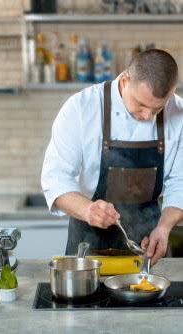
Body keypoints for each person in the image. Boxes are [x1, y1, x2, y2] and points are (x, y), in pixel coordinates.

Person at [41, 49, 183, 265]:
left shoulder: (179, 112)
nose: (147, 116)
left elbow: (180, 183)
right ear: (126, 79)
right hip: (87, 244)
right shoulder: (82, 107)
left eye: (157, 109)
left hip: (148, 243)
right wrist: (87, 209)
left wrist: (164, 229)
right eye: (141, 104)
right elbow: (55, 179)